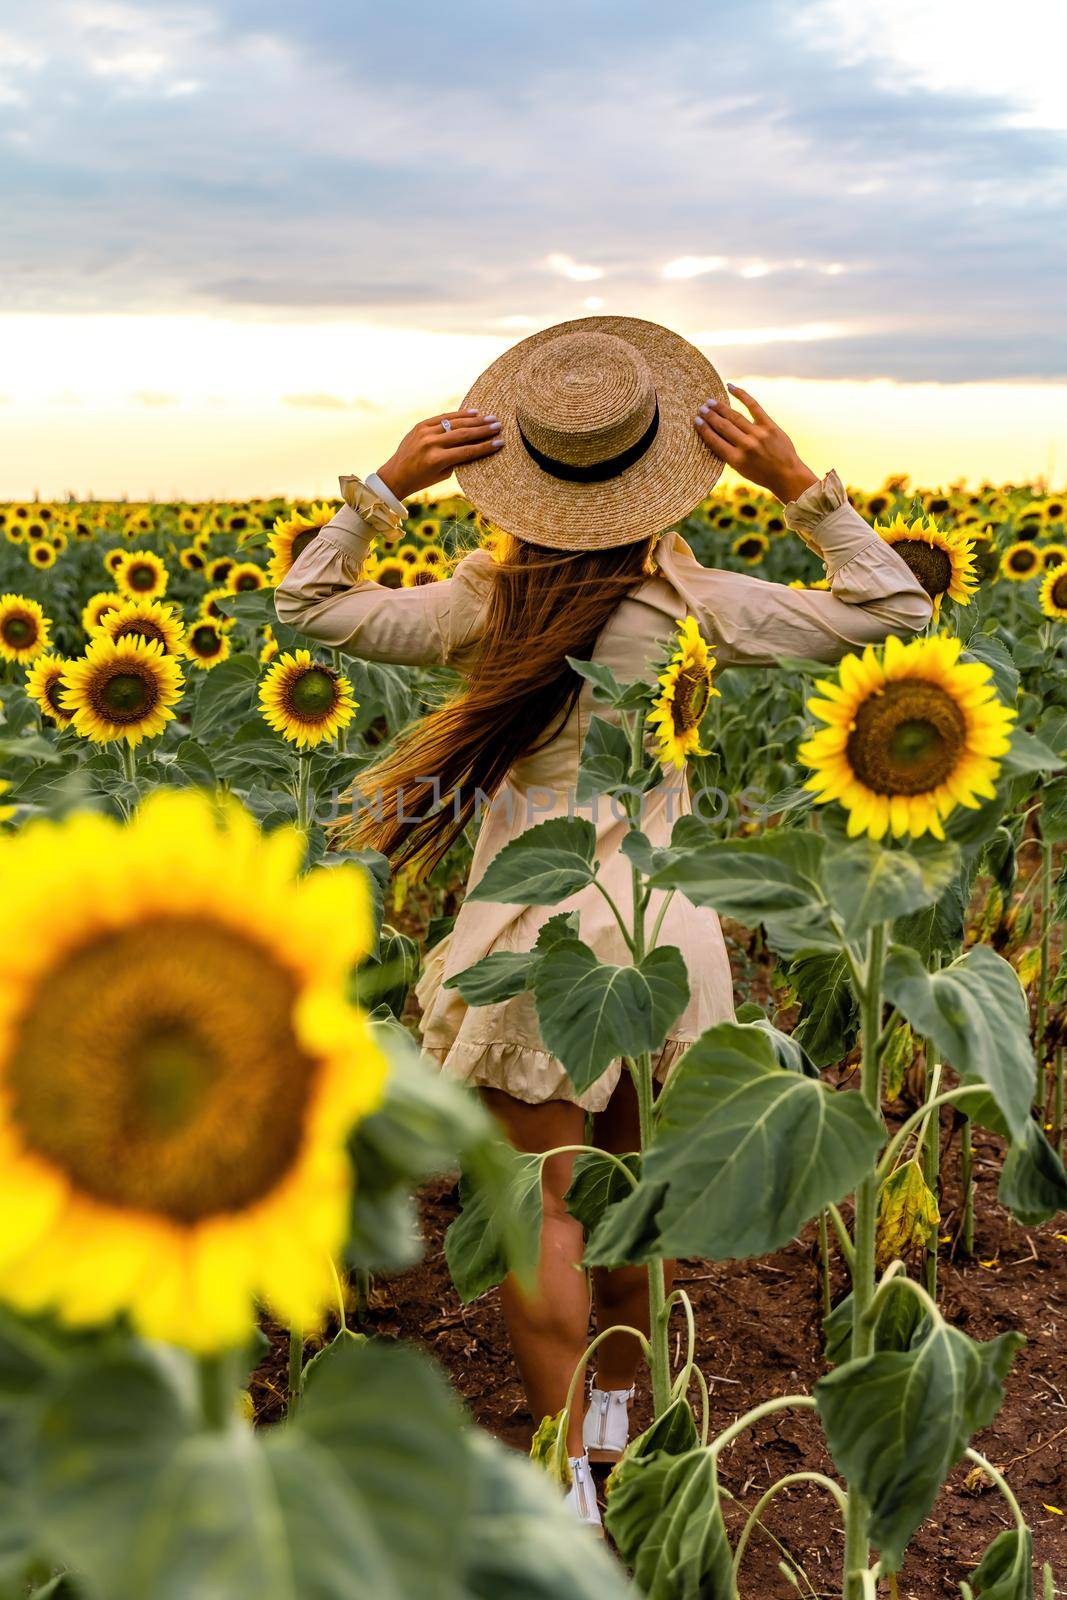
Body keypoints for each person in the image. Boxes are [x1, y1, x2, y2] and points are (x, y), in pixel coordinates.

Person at [276, 316, 931, 1526]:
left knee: (545, 1220)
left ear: (518, 464)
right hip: (660, 939)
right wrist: (797, 483)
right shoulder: (694, 598)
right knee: (631, 1216)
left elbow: (309, 605)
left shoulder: (485, 599)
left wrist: (383, 489)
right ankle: (620, 1450)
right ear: (655, 467)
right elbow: (893, 612)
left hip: (536, 943)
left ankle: (569, 1491)